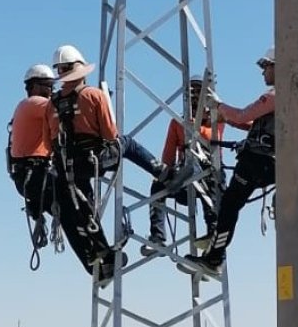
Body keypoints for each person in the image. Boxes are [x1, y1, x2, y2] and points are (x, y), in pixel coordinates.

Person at [49, 44, 195, 284]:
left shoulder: (50, 104)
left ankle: (101, 259)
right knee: (126, 143)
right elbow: (110, 135)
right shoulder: (93, 95)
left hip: (69, 169)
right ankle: (165, 174)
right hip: (94, 160)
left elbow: (50, 141)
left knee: (84, 209)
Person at [179, 46, 277, 276]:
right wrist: (226, 117)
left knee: (229, 206)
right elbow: (251, 123)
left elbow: (244, 115)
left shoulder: (274, 95)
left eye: (265, 67)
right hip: (265, 163)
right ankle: (215, 250)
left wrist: (218, 105)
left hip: (257, 162)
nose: (263, 73)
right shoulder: (285, 95)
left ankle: (214, 257)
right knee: (229, 206)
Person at [141, 74, 224, 257]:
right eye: (191, 91)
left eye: (197, 90)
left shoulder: (217, 119)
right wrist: (163, 174)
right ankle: (158, 237)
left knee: (207, 181)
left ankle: (213, 233)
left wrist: (198, 126)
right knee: (157, 185)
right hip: (184, 180)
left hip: (209, 176)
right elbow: (168, 156)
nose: (194, 95)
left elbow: (220, 133)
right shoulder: (177, 123)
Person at [7, 64, 58, 250]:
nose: (52, 90)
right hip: (35, 175)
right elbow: (59, 108)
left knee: (70, 209)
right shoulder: (35, 103)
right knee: (72, 206)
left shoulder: (28, 108)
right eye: (48, 85)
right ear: (35, 87)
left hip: (30, 178)